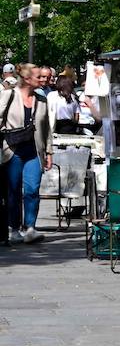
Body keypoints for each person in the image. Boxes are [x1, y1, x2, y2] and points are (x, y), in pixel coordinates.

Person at [1, 64, 54, 244]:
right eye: (39, 77)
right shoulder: (8, 95)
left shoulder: (42, 99)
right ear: (27, 79)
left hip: (34, 151)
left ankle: (30, 228)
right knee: (13, 191)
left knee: (32, 189)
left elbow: (47, 128)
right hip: (12, 150)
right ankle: (13, 228)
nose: (43, 80)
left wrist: (49, 152)